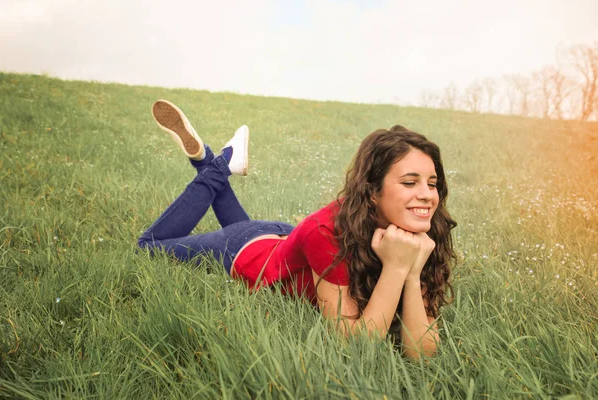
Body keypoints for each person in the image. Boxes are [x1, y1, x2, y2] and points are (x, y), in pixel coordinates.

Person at [138, 100, 457, 357]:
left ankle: (208, 161)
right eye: (409, 182)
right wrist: (396, 267)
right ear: (372, 191)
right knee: (149, 246)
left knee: (241, 219)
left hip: (284, 239)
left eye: (431, 183)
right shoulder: (329, 232)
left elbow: (424, 353)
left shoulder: (418, 233)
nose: (428, 194)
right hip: (246, 251)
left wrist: (412, 274)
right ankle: (221, 162)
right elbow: (355, 346)